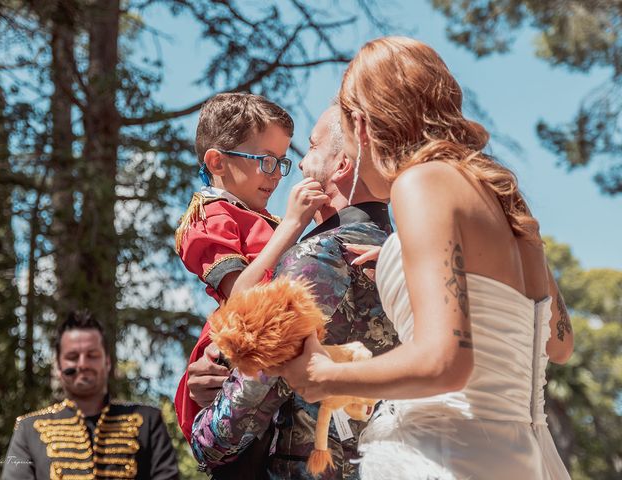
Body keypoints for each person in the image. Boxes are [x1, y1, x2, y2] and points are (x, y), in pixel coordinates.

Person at [273, 37, 574, 480]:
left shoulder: (421, 183)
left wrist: (322, 376)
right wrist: (404, 259)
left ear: (361, 124)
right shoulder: (506, 201)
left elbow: (443, 363)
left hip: (443, 453)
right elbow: (560, 343)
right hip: (526, 458)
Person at [188, 105, 399, 480]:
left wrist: (203, 428)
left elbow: (238, 417)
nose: (300, 166)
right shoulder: (408, 258)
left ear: (341, 167)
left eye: (313, 147)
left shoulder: (316, 256)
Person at [173, 92, 328, 441]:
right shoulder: (210, 216)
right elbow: (242, 296)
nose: (275, 176)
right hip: (237, 347)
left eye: (282, 163)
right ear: (217, 162)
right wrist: (292, 225)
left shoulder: (258, 217)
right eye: (266, 160)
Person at [2, 310, 179, 480]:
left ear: (107, 362)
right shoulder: (28, 429)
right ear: (58, 366)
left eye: (92, 355)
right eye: (72, 356)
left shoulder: (148, 421)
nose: (83, 364)